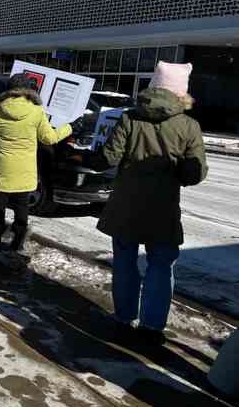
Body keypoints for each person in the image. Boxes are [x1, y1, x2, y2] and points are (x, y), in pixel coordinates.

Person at [85, 61, 208, 344]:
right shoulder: (189, 126)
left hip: (125, 204)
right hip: (163, 208)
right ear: (182, 92)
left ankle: (123, 319)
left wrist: (87, 157)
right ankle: (152, 328)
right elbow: (194, 174)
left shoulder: (129, 118)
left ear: (154, 85)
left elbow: (108, 159)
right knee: (161, 266)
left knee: (125, 262)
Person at [0, 73, 73, 253]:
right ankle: (18, 241)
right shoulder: (36, 111)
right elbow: (49, 138)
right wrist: (68, 127)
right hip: (24, 170)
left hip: (1, 168)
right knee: (21, 207)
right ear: (28, 90)